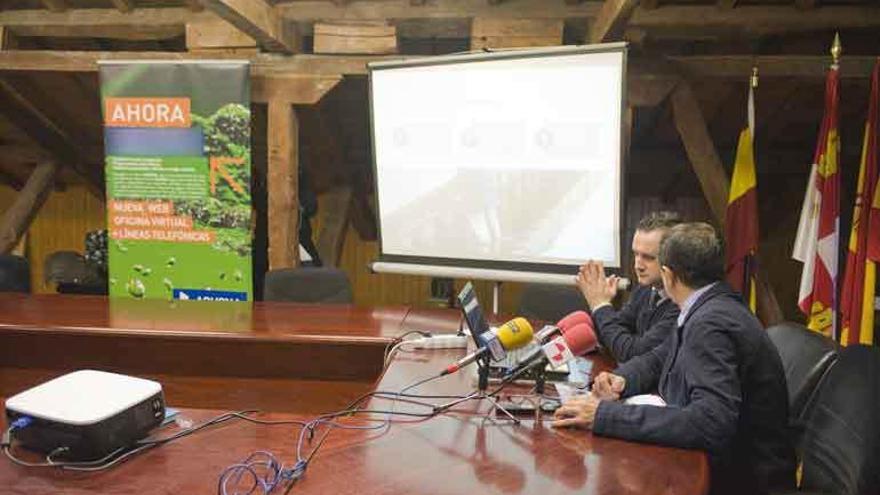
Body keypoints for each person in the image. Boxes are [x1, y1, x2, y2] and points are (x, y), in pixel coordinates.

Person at [554, 223, 796, 495]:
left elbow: (711, 423)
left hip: (743, 482)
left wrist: (605, 415)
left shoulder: (710, 324)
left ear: (668, 275)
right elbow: (661, 356)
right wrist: (623, 379)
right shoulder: (713, 303)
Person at [576, 211, 681, 362]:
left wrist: (600, 305)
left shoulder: (681, 304)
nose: (638, 265)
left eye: (649, 257)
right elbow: (613, 336)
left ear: (674, 257)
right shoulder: (646, 289)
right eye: (636, 254)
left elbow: (631, 353)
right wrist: (600, 302)